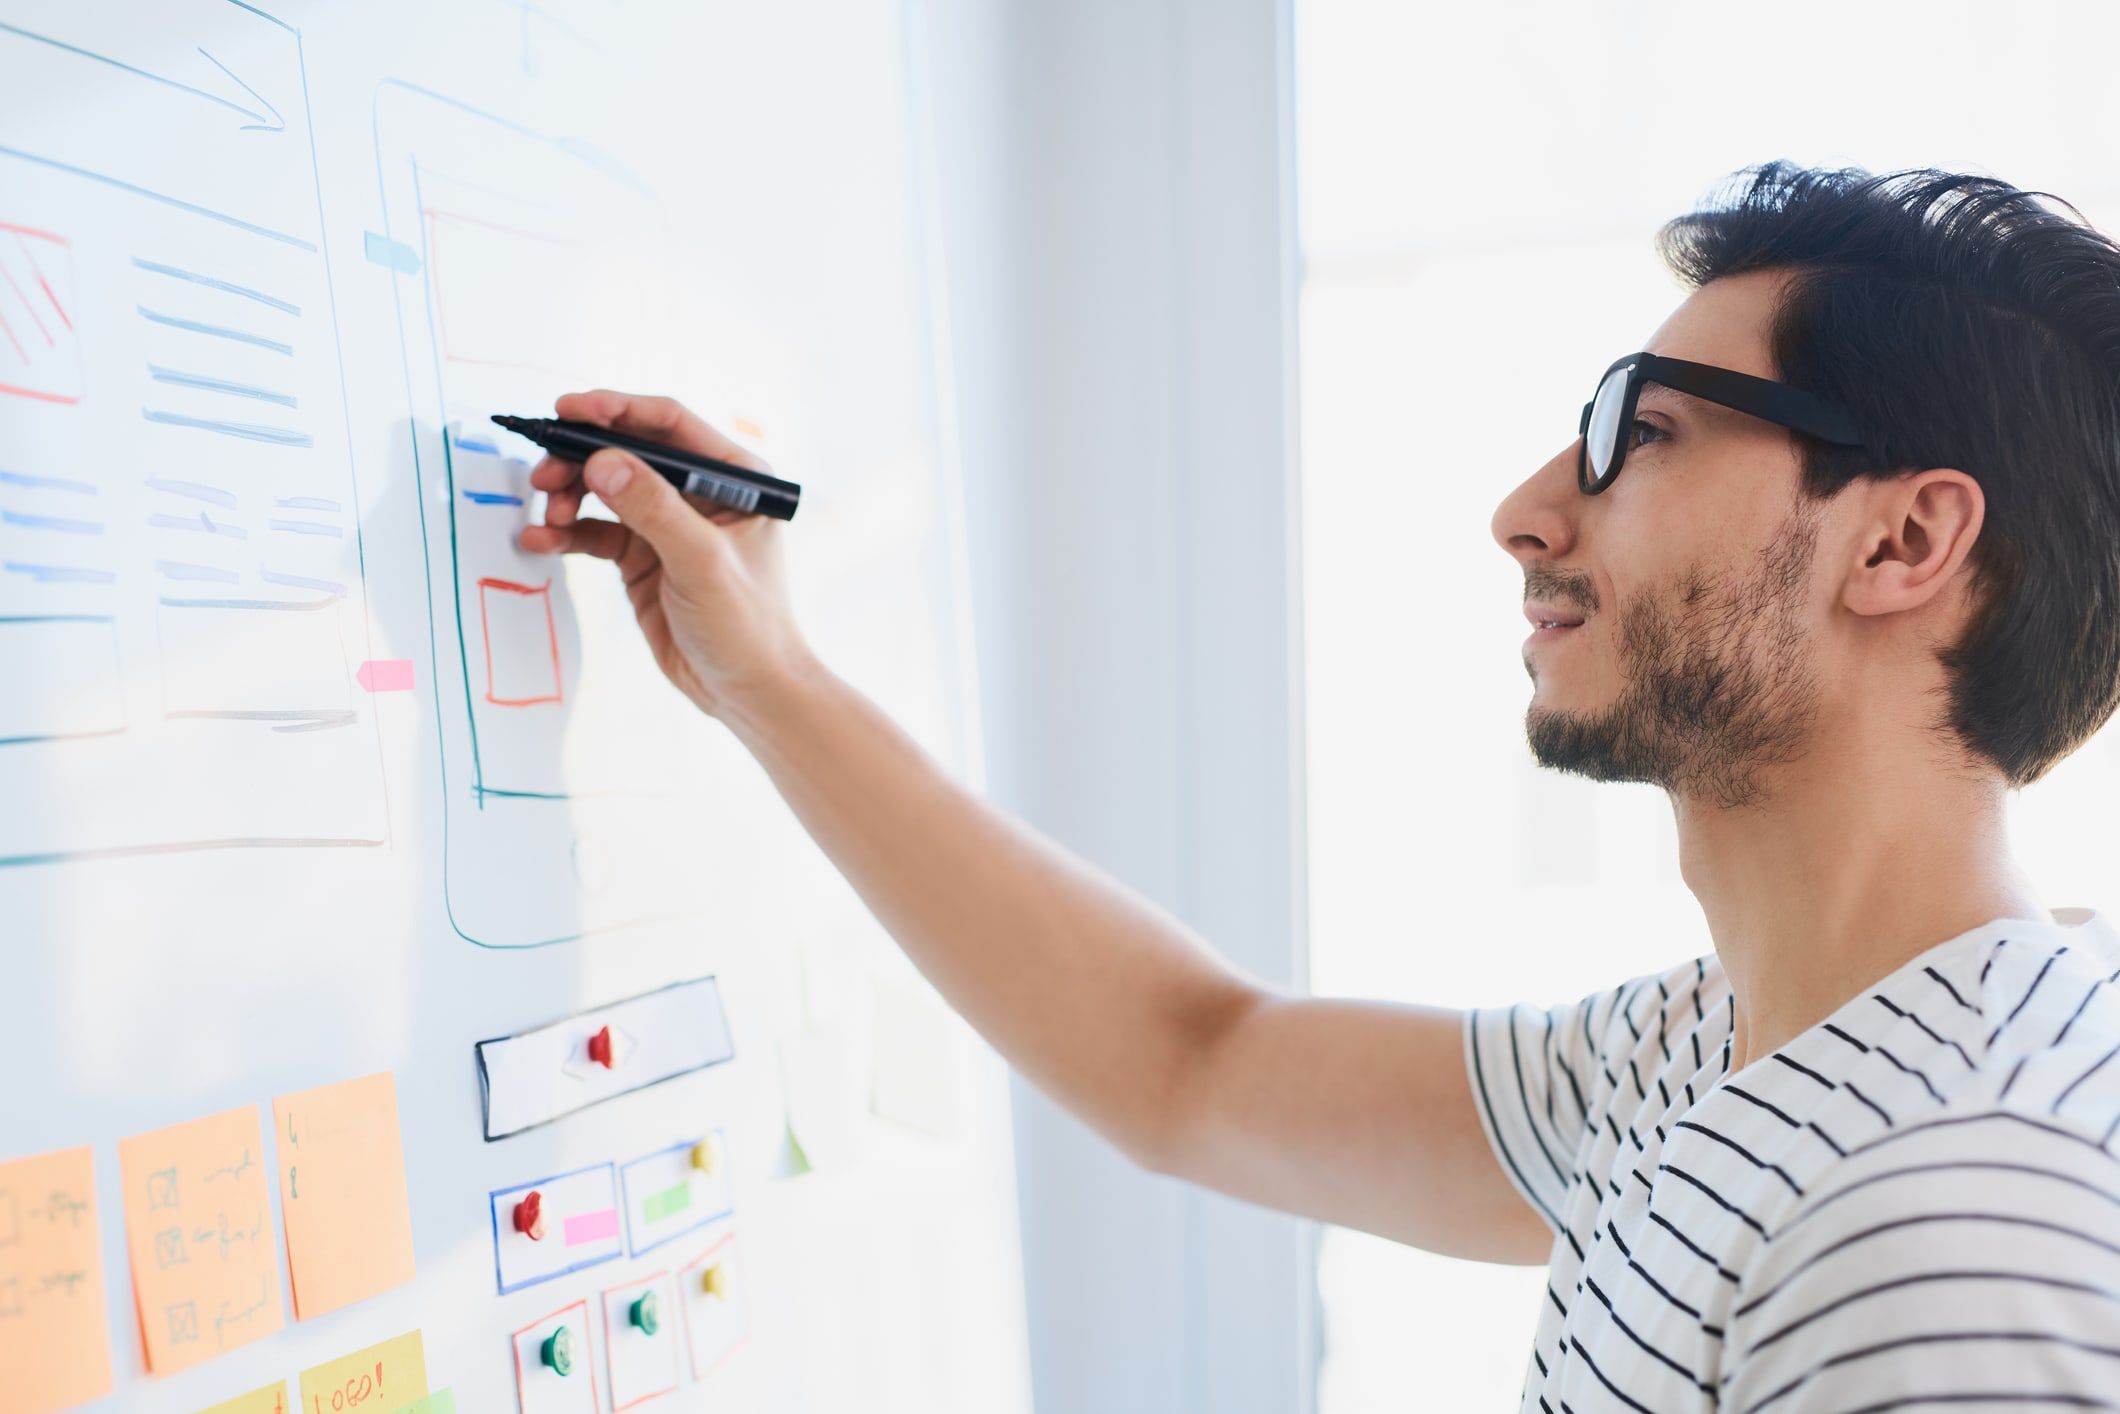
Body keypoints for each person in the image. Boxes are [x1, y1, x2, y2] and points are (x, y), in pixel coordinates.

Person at [521, 161, 2120, 1410]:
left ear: (1903, 543)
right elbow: (1192, 1065)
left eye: (1643, 431)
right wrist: (770, 677)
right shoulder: (1719, 1048)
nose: (1526, 510)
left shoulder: (1955, 1202)